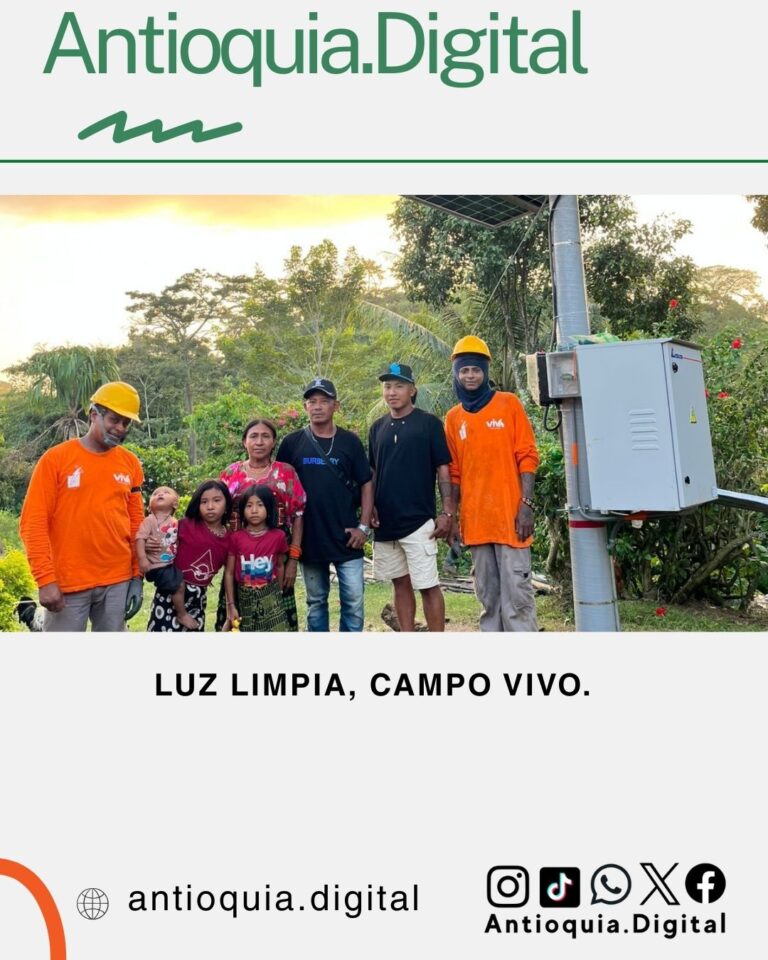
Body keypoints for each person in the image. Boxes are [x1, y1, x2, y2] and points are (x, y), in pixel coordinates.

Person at [19, 381, 145, 632]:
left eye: (126, 423)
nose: (120, 428)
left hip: (116, 581)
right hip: (68, 583)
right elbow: (33, 522)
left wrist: (136, 577)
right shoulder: (56, 459)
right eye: (114, 419)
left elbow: (136, 524)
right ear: (94, 415)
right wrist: (45, 580)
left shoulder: (130, 464)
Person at [444, 336, 540, 632]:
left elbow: (527, 456)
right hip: (476, 524)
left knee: (518, 600)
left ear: (486, 371)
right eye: (464, 371)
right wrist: (454, 519)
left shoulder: (508, 404)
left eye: (476, 370)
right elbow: (454, 473)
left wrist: (525, 506)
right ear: (457, 374)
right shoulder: (453, 418)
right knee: (489, 600)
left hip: (511, 521)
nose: (470, 376)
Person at [276, 378, 373, 632]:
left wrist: (363, 527)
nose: (317, 407)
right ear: (305, 406)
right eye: (312, 401)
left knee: (353, 602)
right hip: (309, 539)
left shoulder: (350, 442)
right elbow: (279, 487)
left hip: (347, 537)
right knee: (316, 602)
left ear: (335, 406)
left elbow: (366, 482)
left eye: (324, 401)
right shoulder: (291, 443)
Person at [368, 363, 455, 631]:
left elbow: (443, 469)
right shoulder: (377, 427)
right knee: (400, 583)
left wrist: (448, 512)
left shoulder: (428, 423)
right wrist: (368, 508)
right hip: (386, 523)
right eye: (387, 386)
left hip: (419, 520)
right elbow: (371, 471)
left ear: (412, 390)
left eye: (399, 386)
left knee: (428, 585)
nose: (392, 392)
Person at [218, 417, 306, 630]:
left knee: (277, 621)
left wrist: (293, 560)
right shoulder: (231, 474)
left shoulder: (286, 472)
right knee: (236, 621)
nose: (259, 442)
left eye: (265, 436)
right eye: (253, 436)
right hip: (239, 556)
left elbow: (299, 515)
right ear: (244, 442)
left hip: (276, 559)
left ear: (274, 442)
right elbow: (217, 513)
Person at [146, 479, 232, 631]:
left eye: (217, 500)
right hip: (170, 592)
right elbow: (164, 541)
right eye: (204, 502)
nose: (210, 506)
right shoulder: (185, 525)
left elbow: (229, 573)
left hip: (197, 598)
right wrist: (149, 544)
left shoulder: (229, 539)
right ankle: (181, 614)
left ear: (227, 505)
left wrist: (231, 606)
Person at [224, 485, 290, 632]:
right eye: (249, 505)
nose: (254, 510)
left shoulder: (278, 536)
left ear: (269, 508)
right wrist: (231, 605)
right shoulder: (236, 538)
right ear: (242, 510)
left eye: (260, 505)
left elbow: (279, 566)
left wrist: (277, 593)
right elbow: (228, 573)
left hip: (271, 596)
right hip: (245, 597)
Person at [135, 485, 198, 631]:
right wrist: (142, 558)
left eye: (165, 492)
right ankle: (182, 614)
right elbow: (139, 539)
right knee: (179, 585)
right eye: (155, 493)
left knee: (180, 581)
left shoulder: (175, 522)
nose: (159, 494)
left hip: (168, 564)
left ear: (175, 503)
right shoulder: (149, 521)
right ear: (150, 505)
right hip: (156, 565)